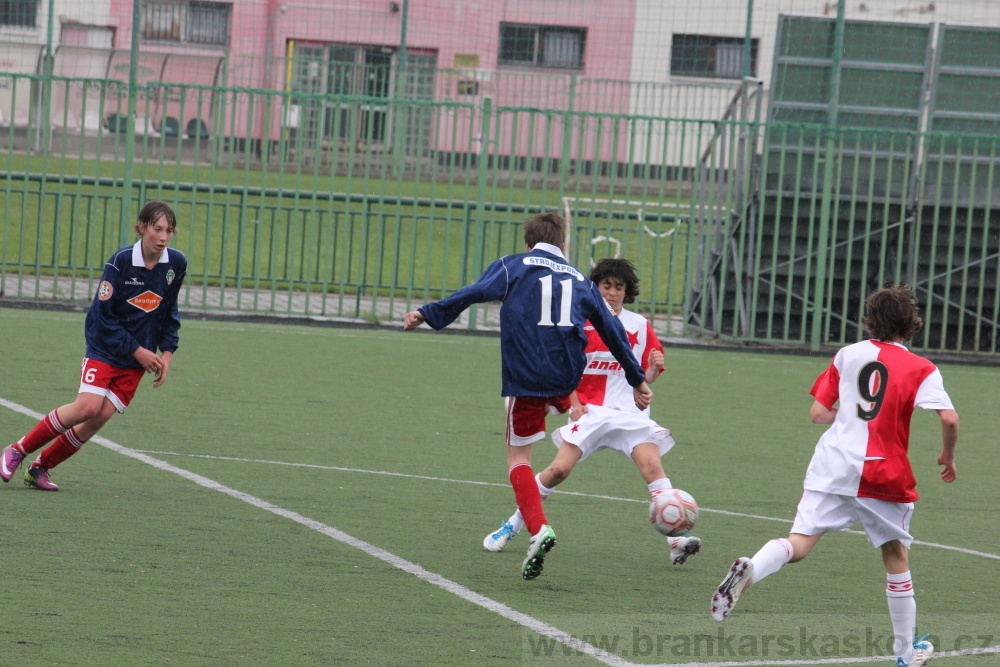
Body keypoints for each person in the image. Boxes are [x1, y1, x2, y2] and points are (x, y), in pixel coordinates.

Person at [709, 284, 959, 667]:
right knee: (895, 556)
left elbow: (818, 413)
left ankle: (753, 567)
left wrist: (847, 413)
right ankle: (907, 654)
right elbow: (949, 417)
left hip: (832, 464)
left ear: (870, 320)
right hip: (881, 470)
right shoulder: (922, 367)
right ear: (910, 325)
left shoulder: (847, 354)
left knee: (800, 541)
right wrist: (947, 454)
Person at [403, 213, 652, 580]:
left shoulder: (513, 266)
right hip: (568, 376)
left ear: (528, 243)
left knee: (518, 457)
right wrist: (636, 378)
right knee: (563, 400)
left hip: (527, 377)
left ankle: (538, 528)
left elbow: (473, 292)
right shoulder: (581, 280)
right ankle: (571, 407)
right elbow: (613, 329)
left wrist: (428, 312)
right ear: (563, 244)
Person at [482, 258, 701, 566]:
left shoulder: (639, 325)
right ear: (594, 288)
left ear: (628, 292)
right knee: (558, 471)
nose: (612, 293)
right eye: (605, 286)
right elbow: (563, 367)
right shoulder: (580, 321)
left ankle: (677, 540)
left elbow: (642, 378)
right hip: (590, 414)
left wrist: (650, 370)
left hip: (628, 414)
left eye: (619, 287)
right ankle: (513, 524)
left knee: (652, 467)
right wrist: (572, 401)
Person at [2, 201, 187, 491]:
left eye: (169, 230)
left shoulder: (176, 264)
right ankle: (17, 450)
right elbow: (101, 318)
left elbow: (168, 312)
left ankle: (40, 468)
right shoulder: (121, 262)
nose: (163, 237)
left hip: (136, 361)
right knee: (86, 407)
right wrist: (138, 350)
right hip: (105, 347)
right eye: (157, 229)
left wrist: (166, 354)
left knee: (99, 418)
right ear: (141, 228)